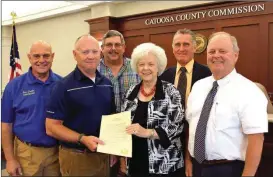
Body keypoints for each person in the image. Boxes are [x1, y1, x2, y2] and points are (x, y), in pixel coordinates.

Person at [186, 31, 268, 177]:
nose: (216, 55)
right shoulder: (198, 87)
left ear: (235, 56)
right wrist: (188, 161)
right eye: (212, 51)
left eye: (222, 51)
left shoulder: (249, 91)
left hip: (228, 170)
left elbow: (256, 139)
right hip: (196, 167)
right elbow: (191, 127)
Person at [45, 34, 116, 177]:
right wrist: (82, 139)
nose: (90, 56)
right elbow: (51, 127)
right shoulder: (62, 86)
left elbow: (112, 119)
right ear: (74, 55)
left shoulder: (107, 83)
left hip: (103, 155)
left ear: (100, 53)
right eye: (85, 52)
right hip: (76, 157)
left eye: (94, 52)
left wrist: (114, 149)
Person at [122, 43, 184, 177]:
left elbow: (177, 126)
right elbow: (123, 124)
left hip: (164, 164)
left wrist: (148, 132)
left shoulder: (171, 92)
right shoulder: (130, 92)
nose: (146, 68)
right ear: (136, 67)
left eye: (150, 64)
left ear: (158, 67)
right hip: (135, 161)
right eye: (141, 64)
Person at [1, 41, 62, 176]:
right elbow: (6, 126)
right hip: (26, 154)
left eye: (46, 56)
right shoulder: (14, 86)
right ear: (29, 58)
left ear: (52, 56)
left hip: (56, 154)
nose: (41, 60)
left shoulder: (61, 84)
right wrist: (10, 159)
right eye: (36, 56)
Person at [160, 28, 211, 176]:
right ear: (172, 47)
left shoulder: (207, 74)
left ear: (194, 47)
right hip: (169, 144)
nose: (181, 49)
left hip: (197, 142)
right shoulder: (164, 75)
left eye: (186, 44)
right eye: (177, 44)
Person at [98, 30, 140, 177]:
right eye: (109, 45)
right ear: (102, 48)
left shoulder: (137, 68)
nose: (113, 48)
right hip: (102, 136)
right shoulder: (93, 70)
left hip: (134, 134)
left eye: (117, 44)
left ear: (124, 47)